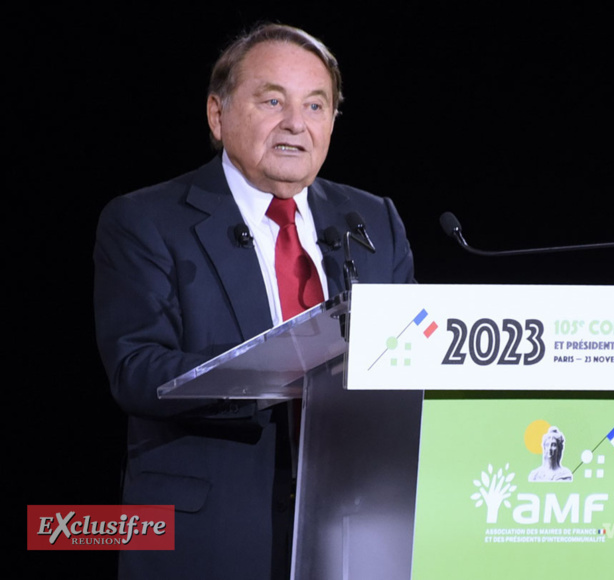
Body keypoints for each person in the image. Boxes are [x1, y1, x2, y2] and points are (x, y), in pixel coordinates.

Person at [93, 23, 415, 579]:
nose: (296, 123)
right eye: (273, 101)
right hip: (210, 531)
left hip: (356, 525)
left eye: (317, 105)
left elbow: (409, 359)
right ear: (217, 116)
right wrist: (284, 366)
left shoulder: (373, 220)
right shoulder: (147, 220)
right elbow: (136, 369)